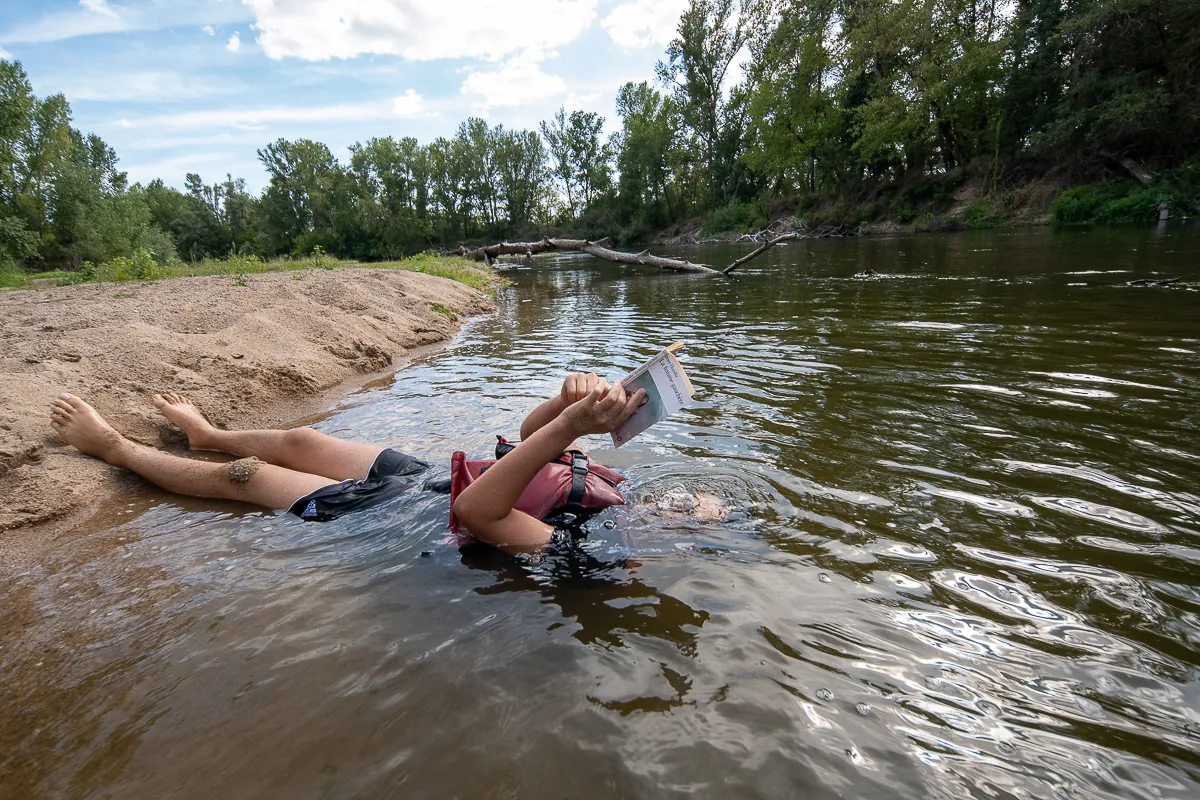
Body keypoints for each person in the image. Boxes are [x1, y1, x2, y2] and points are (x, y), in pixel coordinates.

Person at [48, 373, 645, 551]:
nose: (687, 504)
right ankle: (207, 433)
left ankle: (114, 448)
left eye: (689, 515)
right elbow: (530, 438)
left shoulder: (582, 546)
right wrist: (567, 404)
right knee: (302, 442)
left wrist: (571, 426)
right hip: (432, 479)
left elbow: (479, 513)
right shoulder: (618, 492)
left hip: (402, 521)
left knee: (247, 478)